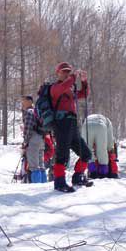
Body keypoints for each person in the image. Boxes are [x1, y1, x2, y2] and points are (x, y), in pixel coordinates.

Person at [49, 62, 92, 192]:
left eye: (68, 71)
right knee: (62, 154)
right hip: (61, 123)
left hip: (72, 123)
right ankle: (59, 182)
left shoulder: (69, 88)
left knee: (86, 153)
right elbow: (64, 86)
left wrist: (84, 82)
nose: (66, 73)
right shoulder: (55, 87)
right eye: (64, 71)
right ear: (58, 73)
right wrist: (73, 77)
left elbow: (83, 94)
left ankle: (78, 177)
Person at [81, 114, 117, 179]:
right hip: (100, 126)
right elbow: (110, 139)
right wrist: (110, 149)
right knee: (102, 151)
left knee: (87, 150)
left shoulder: (89, 117)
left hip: (86, 125)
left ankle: (92, 172)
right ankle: (103, 173)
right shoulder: (108, 121)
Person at [21, 95, 46, 183]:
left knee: (34, 166)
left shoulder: (29, 112)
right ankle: (44, 185)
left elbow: (28, 128)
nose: (22, 103)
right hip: (41, 139)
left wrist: (25, 142)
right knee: (41, 165)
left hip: (33, 139)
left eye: (24, 101)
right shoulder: (37, 111)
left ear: (29, 102)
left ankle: (37, 187)